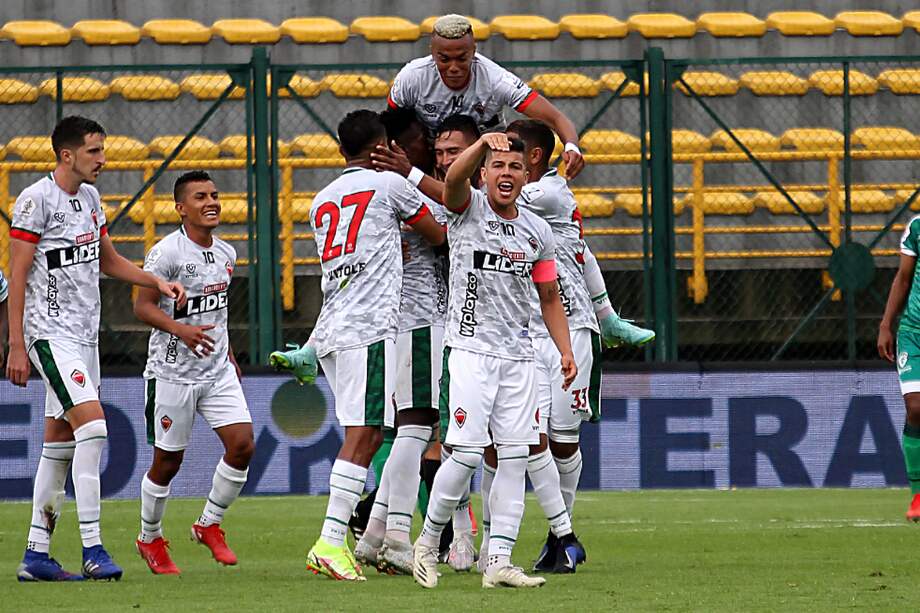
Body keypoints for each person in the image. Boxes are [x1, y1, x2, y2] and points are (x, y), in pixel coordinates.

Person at [270, 110, 445, 581]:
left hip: (333, 326)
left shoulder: (321, 199)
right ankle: (329, 542)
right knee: (365, 436)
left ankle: (345, 542)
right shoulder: (389, 186)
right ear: (381, 148)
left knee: (366, 432)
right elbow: (442, 232)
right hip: (367, 328)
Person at [7, 116, 184, 582]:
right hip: (50, 335)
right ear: (67, 155)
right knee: (95, 429)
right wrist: (17, 345)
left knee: (59, 443)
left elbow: (107, 260)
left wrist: (154, 280)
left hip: (86, 339)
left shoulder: (89, 198)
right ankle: (93, 547)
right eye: (94, 151)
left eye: (102, 150)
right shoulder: (34, 201)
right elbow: (18, 275)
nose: (103, 159)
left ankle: (36, 555)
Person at [412, 132, 576, 590]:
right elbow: (453, 178)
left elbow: (548, 297)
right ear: (484, 172)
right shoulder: (468, 208)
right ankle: (427, 543)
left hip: (520, 358)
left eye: (514, 167)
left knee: (515, 458)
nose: (506, 173)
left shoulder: (537, 231)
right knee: (464, 454)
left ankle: (498, 560)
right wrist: (483, 142)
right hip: (470, 353)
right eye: (497, 165)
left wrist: (564, 350)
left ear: (527, 175)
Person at [133, 171, 254, 575]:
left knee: (243, 445)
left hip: (217, 370)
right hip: (172, 374)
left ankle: (209, 524)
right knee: (168, 462)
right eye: (200, 196)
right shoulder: (165, 254)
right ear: (181, 208)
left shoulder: (227, 254)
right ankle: (149, 538)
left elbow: (217, 314)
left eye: (215, 195)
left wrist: (231, 354)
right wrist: (180, 330)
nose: (212, 202)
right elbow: (142, 306)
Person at [354, 108, 449, 575]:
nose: (425, 151)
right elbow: (448, 237)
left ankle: (374, 535)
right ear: (389, 149)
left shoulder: (361, 191)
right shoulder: (398, 189)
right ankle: (393, 536)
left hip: (391, 323)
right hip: (418, 318)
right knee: (416, 428)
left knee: (413, 429)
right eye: (415, 144)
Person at [387, 14, 585, 180]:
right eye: (444, 59)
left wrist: (571, 146)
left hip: (485, 162)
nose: (453, 68)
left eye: (462, 58)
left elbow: (556, 118)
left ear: (474, 51)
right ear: (433, 53)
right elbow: (391, 125)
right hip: (436, 160)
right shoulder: (412, 77)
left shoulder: (496, 79)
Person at [879, 214, 920, 520]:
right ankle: (917, 496)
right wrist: (885, 325)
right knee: (916, 407)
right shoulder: (917, 226)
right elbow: (903, 278)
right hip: (914, 333)